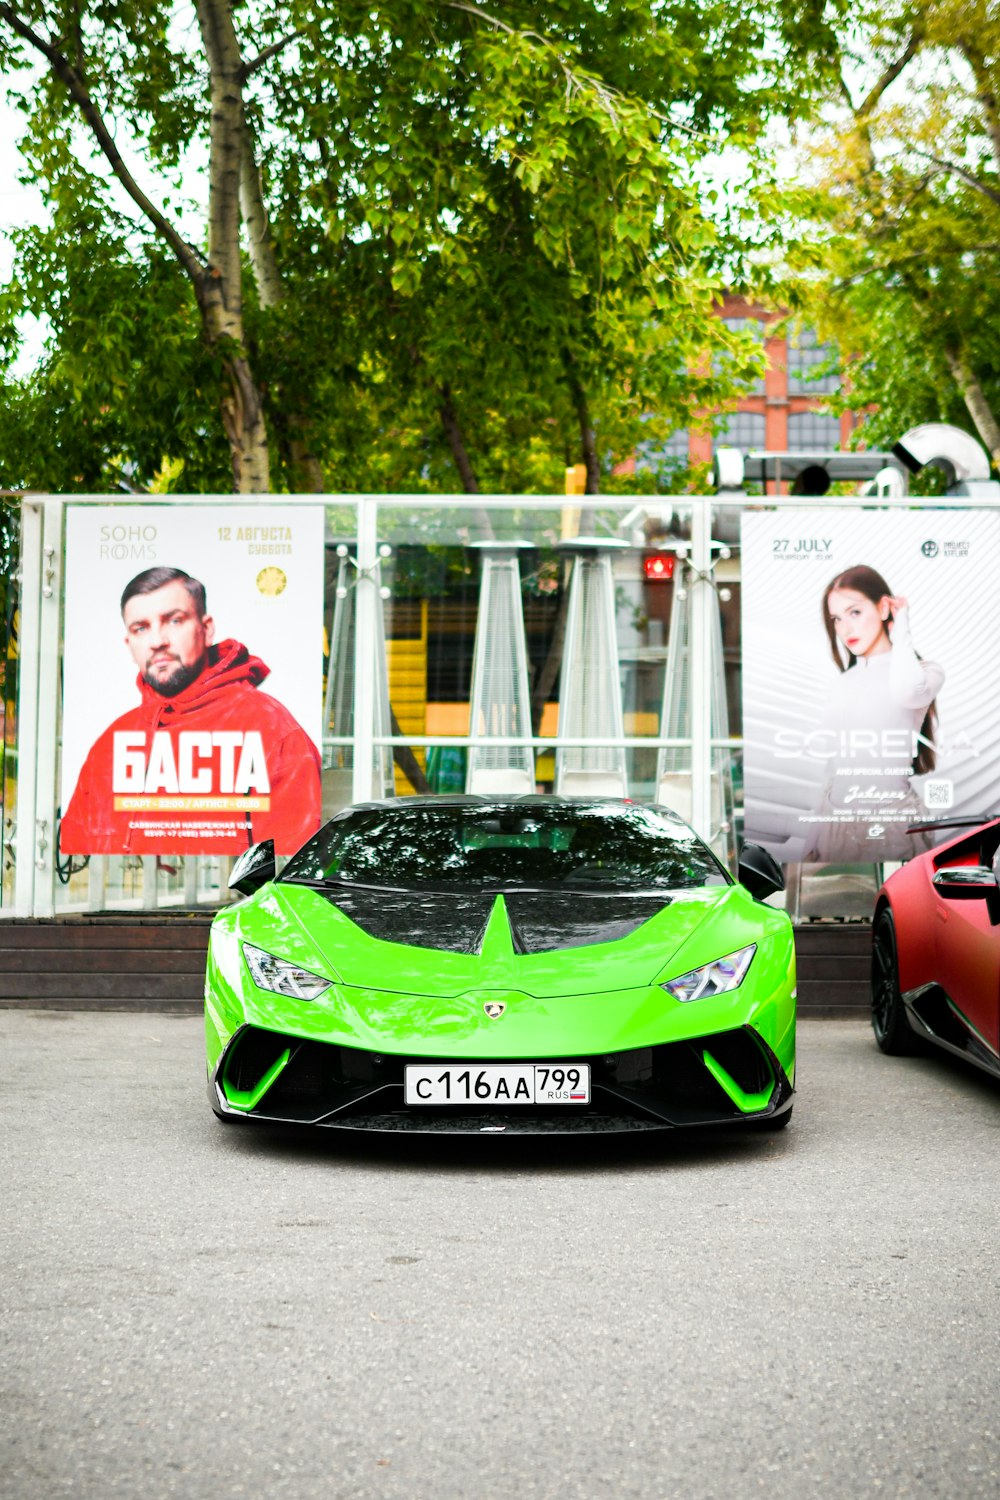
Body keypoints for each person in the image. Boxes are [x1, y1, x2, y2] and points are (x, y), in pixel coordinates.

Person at [60, 566, 321, 855]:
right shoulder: (110, 745)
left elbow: (288, 879)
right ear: (129, 644)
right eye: (141, 628)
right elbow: (76, 866)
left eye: (174, 620)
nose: (158, 641)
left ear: (206, 629)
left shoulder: (272, 731)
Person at [801, 564, 944, 862]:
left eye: (855, 612)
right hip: (835, 827)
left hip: (893, 828)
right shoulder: (842, 683)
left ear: (882, 608)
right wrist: (811, 841)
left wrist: (901, 624)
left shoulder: (927, 673)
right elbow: (834, 768)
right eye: (837, 619)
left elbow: (906, 691)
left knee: (895, 908)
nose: (845, 628)